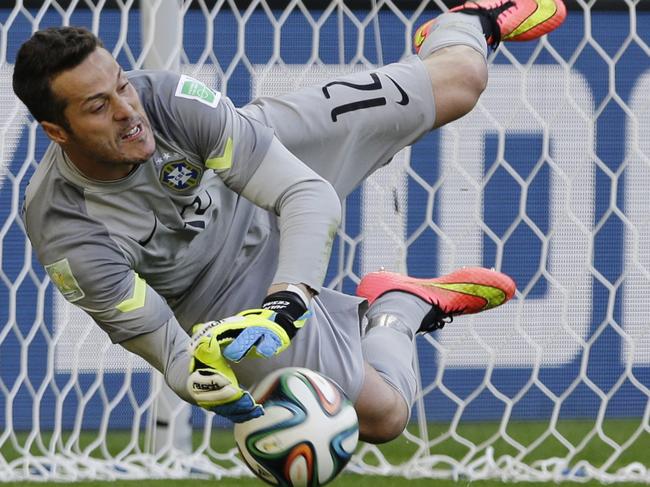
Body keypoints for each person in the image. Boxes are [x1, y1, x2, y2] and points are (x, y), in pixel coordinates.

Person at [12, 0, 566, 444]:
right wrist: (209, 386)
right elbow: (165, 350)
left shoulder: (167, 99)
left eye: (122, 86)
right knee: (382, 418)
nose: (128, 110)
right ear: (56, 131)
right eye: (97, 106)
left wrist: (288, 299)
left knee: (462, 80)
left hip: (263, 164)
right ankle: (400, 307)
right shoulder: (66, 230)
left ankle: (468, 21)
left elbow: (305, 192)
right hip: (219, 295)